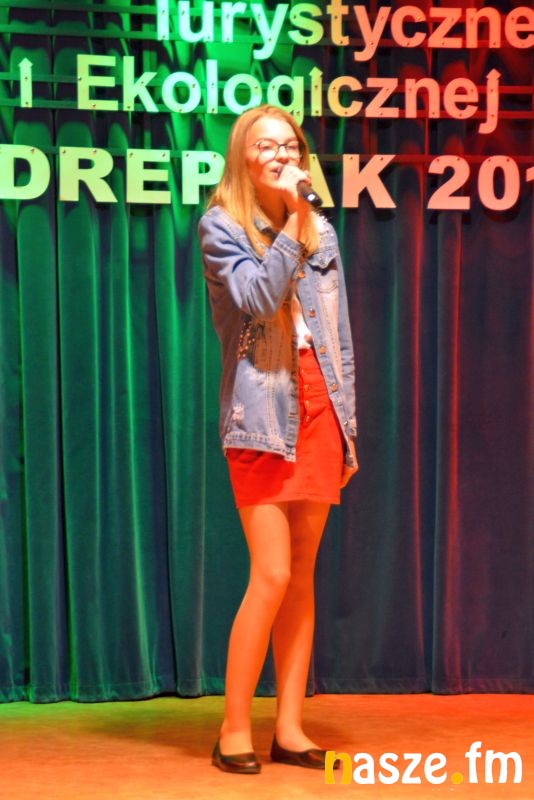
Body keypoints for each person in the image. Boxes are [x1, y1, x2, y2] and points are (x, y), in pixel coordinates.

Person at [198, 104, 358, 774]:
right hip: (262, 412)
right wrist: (295, 221)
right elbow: (260, 299)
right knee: (271, 573)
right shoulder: (222, 225)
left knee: (301, 576)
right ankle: (234, 727)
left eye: (289, 145)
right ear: (243, 155)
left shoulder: (322, 229)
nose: (280, 154)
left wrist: (348, 427)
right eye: (265, 145)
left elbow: (338, 336)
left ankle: (289, 728)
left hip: (321, 406)